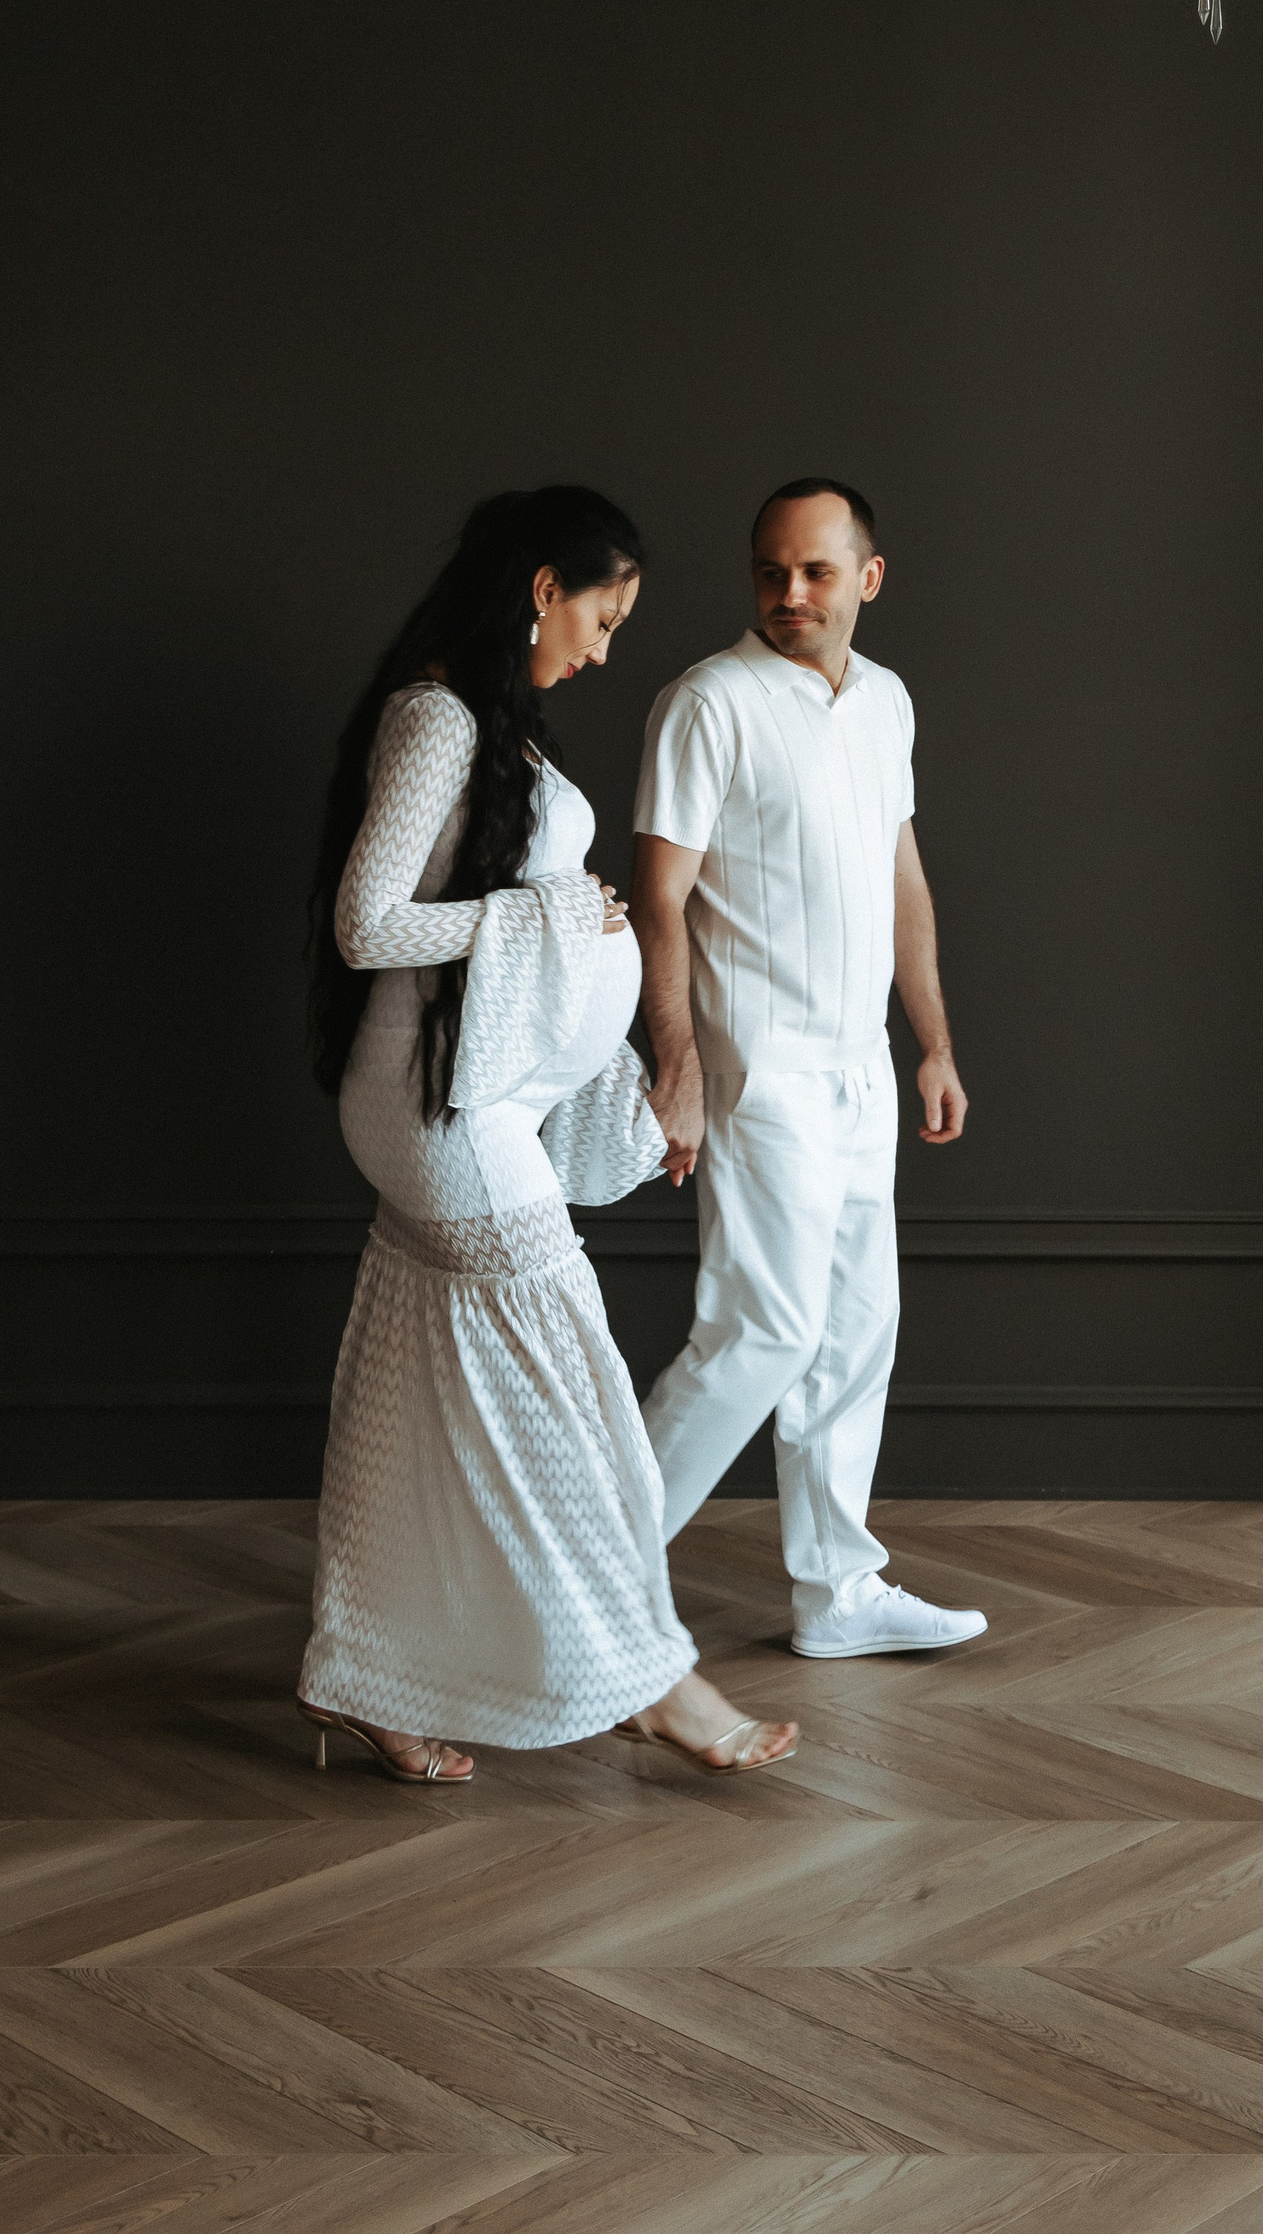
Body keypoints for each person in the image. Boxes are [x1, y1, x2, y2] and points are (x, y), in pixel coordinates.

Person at [296, 485, 798, 1781]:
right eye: (602, 617)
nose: (605, 648)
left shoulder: (493, 721)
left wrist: (567, 923)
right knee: (573, 1393)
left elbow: (494, 904)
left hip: (468, 1096)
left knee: (411, 1391)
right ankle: (652, 1678)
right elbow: (368, 924)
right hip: (435, 1105)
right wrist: (548, 919)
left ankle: (368, 1678)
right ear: (541, 588)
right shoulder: (436, 718)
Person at [631, 478, 987, 1659]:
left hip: (861, 1069)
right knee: (762, 1332)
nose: (790, 593)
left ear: (867, 579)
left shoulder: (886, 702)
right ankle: (585, 1575)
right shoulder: (708, 704)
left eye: (817, 572)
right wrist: (678, 1068)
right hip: (760, 1071)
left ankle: (837, 1595)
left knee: (858, 1329)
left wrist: (932, 1042)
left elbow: (901, 878)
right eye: (772, 572)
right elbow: (659, 900)